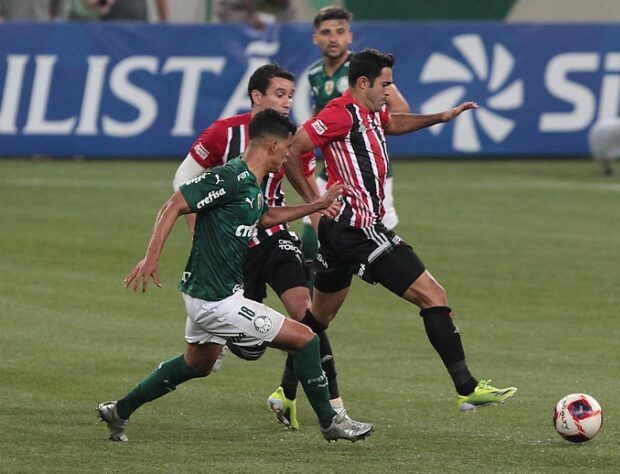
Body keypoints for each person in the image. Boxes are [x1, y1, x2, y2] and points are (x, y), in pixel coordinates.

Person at [97, 109, 374, 443]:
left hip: (205, 293)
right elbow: (174, 204)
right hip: (217, 302)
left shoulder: (251, 185)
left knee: (196, 364)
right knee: (306, 339)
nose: (289, 155)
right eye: (286, 148)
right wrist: (151, 257)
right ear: (272, 145)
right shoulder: (229, 177)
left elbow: (265, 216)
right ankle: (332, 423)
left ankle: (119, 411)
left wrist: (315, 205)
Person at [283, 48, 518, 413]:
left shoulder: (371, 112)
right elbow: (293, 150)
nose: (389, 92)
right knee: (433, 296)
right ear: (364, 83)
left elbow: (391, 124)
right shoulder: (340, 113)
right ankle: (467, 388)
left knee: (318, 319)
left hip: (341, 232)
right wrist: (314, 201)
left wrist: (441, 116)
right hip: (358, 230)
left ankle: (284, 393)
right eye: (385, 85)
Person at [173, 64, 345, 430]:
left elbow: (306, 185)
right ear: (257, 96)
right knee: (241, 350)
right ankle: (271, 382)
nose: (286, 102)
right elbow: (184, 180)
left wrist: (324, 229)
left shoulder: (292, 137)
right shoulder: (223, 133)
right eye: (279, 94)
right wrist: (200, 236)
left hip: (275, 236)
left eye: (290, 96)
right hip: (235, 250)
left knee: (306, 315)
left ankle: (335, 407)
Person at [299, 6, 409, 266]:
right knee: (311, 237)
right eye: (326, 32)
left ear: (349, 36)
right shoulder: (315, 74)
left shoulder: (365, 71)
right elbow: (320, 118)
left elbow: (400, 111)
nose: (333, 38)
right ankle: (311, 305)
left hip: (368, 173)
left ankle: (409, 280)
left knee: (380, 236)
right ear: (316, 38)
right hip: (333, 171)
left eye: (339, 31)